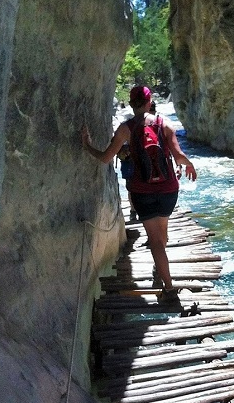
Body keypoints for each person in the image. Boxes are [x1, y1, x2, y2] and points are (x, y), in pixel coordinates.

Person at [81, 85, 197, 304]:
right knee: (161, 235)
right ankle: (160, 269)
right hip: (168, 189)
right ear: (149, 101)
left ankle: (170, 290)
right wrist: (188, 165)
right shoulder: (164, 124)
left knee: (155, 241)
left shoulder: (126, 128)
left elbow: (106, 157)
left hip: (142, 192)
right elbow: (179, 155)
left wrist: (87, 146)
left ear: (132, 103)